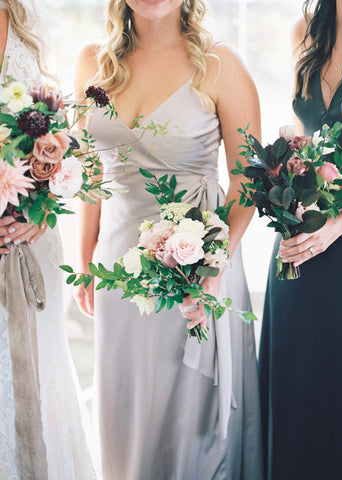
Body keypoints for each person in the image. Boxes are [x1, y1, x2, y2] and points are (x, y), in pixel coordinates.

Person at [75, 0, 263, 479]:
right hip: (119, 268)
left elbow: (248, 182)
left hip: (199, 266)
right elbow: (92, 174)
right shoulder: (92, 63)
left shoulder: (221, 66)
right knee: (128, 417)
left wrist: (214, 267)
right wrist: (85, 261)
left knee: (193, 429)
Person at [259, 1, 342, 479]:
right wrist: (290, 183)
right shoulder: (306, 28)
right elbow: (307, 133)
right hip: (301, 236)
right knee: (296, 381)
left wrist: (339, 223)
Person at [0, 1, 97, 478]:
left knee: (44, 367)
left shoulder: (27, 19)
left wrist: (43, 207)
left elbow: (55, 134)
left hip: (35, 238)